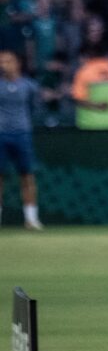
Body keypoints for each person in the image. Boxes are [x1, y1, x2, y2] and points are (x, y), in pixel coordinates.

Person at [0, 50, 44, 230]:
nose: (4, 65)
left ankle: (31, 219)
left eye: (7, 61)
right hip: (1, 135)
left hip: (22, 135)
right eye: (1, 61)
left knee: (27, 176)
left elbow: (35, 107)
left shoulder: (29, 86)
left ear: (17, 63)